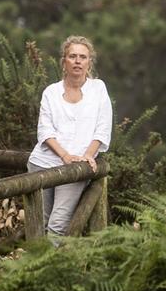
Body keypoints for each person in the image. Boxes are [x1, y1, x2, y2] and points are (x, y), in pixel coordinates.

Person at [27, 35, 112, 239]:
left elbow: (102, 128)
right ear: (63, 61)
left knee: (57, 224)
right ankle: (34, 268)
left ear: (89, 61)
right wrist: (65, 156)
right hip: (42, 163)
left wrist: (88, 156)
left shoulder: (98, 89)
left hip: (76, 168)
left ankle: (50, 270)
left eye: (83, 57)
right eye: (72, 56)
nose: (77, 60)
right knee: (39, 223)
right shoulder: (51, 92)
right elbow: (45, 131)